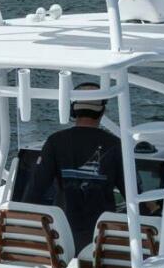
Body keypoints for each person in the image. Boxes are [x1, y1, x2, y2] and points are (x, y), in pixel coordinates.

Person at [21, 83, 126, 253]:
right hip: (102, 240)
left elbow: (34, 192)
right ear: (102, 111)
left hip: (60, 238)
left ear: (73, 110)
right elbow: (135, 195)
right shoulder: (115, 145)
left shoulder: (55, 141)